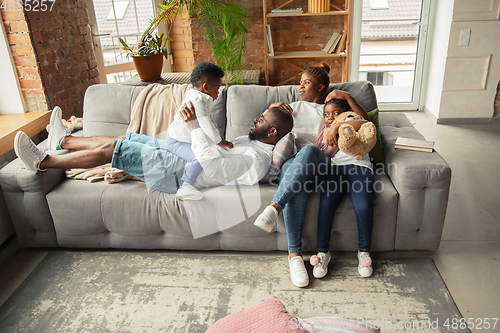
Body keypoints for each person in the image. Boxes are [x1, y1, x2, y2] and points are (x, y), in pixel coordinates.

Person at [253, 63, 371, 287]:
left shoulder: (331, 109)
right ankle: (294, 257)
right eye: (300, 83)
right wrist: (271, 108)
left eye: (306, 83)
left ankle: (275, 206)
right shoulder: (292, 107)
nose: (300, 87)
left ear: (321, 87)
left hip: (320, 162)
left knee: (308, 150)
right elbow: (263, 127)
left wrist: (343, 100)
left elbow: (363, 120)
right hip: (293, 163)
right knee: (294, 180)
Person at [13, 104, 293, 192]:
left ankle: (43, 161)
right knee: (127, 138)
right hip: (181, 154)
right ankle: (63, 141)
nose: (255, 119)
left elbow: (211, 164)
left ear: (271, 132)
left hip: (177, 171)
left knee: (115, 150)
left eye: (261, 119)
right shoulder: (252, 140)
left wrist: (194, 126)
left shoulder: (256, 158)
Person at [311, 99, 375, 280]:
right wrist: (332, 135)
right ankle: (323, 252)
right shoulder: (324, 133)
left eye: (336, 113)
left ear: (346, 114)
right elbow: (325, 155)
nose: (331, 118)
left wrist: (338, 126)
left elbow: (365, 123)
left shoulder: (355, 124)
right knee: (326, 205)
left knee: (363, 207)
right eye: (326, 114)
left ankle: (364, 253)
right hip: (335, 170)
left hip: (359, 167)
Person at [166, 62, 233, 201]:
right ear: (206, 87)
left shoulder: (200, 98)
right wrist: (220, 141)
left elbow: (209, 123)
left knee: (210, 151)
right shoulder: (196, 100)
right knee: (201, 157)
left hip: (186, 139)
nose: (219, 92)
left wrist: (219, 142)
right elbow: (207, 125)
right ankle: (185, 186)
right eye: (218, 87)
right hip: (177, 141)